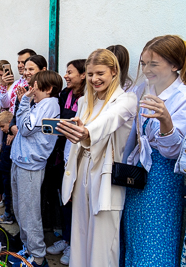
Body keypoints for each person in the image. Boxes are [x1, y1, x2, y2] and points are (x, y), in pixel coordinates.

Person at [57, 49, 137, 267]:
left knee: (103, 244)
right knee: (80, 236)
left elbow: (110, 120)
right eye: (90, 74)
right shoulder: (84, 101)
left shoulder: (126, 100)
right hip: (82, 170)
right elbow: (75, 141)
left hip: (107, 176)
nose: (94, 79)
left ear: (114, 72)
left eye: (100, 73)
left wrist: (87, 132)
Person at [122, 35, 186, 267]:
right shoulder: (143, 89)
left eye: (153, 64)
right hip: (138, 173)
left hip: (163, 179)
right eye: (143, 63)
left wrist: (166, 121)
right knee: (134, 235)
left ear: (175, 65)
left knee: (157, 237)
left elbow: (174, 152)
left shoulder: (182, 97)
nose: (147, 69)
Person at [9, 71, 62, 267]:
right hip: (21, 161)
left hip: (30, 164)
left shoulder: (49, 104)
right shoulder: (40, 104)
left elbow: (25, 128)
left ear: (47, 89)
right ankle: (28, 250)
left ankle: (38, 258)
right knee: (21, 210)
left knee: (29, 212)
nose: (32, 90)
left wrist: (24, 101)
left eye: (35, 86)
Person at [45, 59, 86, 266]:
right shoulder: (64, 95)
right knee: (64, 198)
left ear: (83, 75)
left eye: (70, 72)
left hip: (78, 156)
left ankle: (74, 245)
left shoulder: (88, 98)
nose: (66, 76)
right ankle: (66, 239)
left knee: (74, 201)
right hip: (60, 154)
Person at [0, 111, 15, 224]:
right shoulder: (7, 135)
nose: (1, 129)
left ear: (10, 122)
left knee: (10, 195)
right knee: (7, 194)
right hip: (4, 169)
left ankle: (9, 215)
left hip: (9, 170)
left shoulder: (13, 137)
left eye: (3, 126)